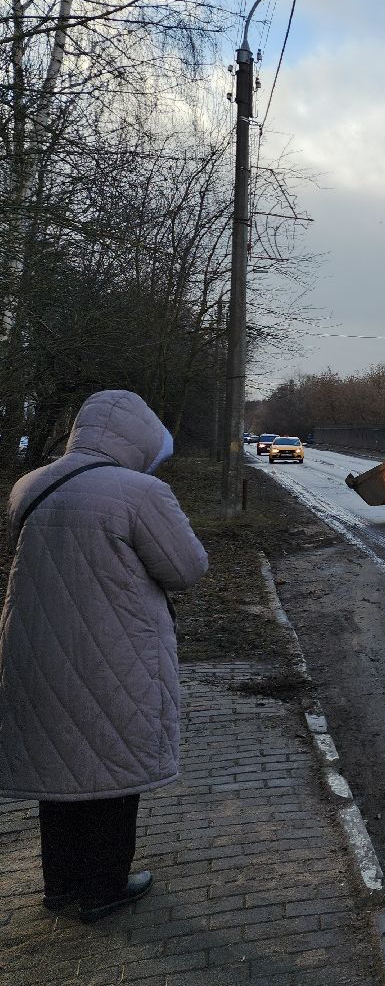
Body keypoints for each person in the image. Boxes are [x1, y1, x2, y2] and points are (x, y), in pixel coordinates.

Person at [0, 390, 208, 922]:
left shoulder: (31, 485)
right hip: (113, 654)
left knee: (61, 767)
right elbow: (185, 570)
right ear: (137, 437)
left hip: (36, 651)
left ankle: (62, 886)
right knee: (112, 770)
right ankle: (104, 887)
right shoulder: (140, 493)